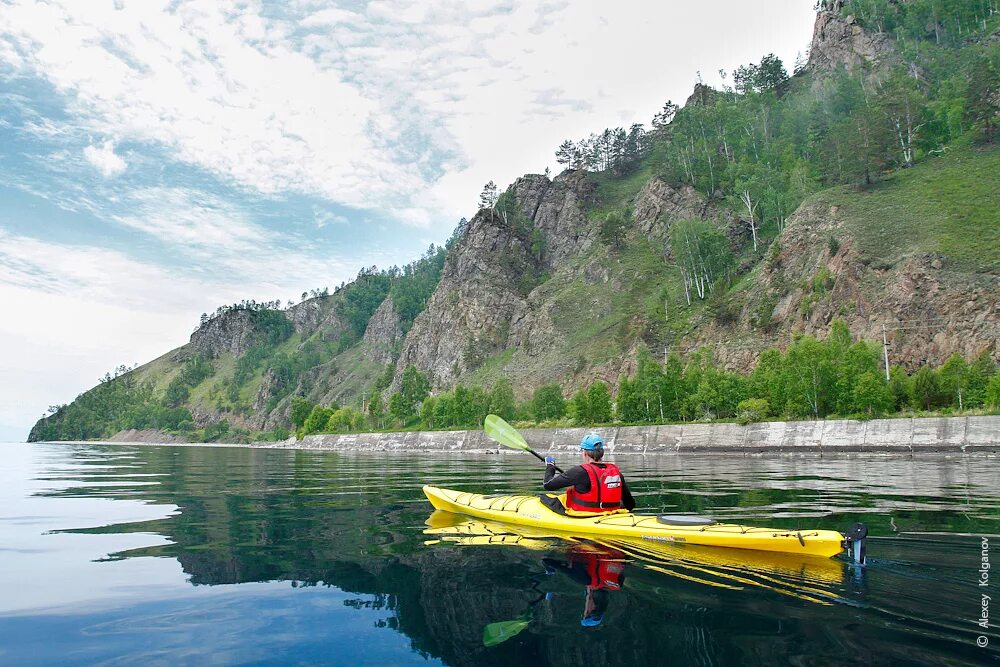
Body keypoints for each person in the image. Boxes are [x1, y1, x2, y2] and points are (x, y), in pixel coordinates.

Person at [542, 432, 636, 513]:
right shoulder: (616, 473)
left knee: (544, 498)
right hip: (610, 514)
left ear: (585, 453)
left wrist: (550, 466)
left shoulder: (578, 472)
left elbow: (547, 484)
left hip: (586, 515)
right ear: (602, 453)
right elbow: (630, 504)